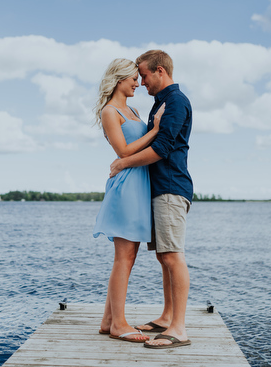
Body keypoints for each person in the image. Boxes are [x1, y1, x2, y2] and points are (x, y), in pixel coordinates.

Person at [109, 50, 193, 349]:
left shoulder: (175, 102)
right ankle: (167, 316)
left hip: (171, 188)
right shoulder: (160, 103)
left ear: (160, 71)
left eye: (143, 76)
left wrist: (123, 163)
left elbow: (163, 147)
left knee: (172, 255)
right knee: (163, 256)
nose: (141, 83)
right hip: (157, 189)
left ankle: (179, 329)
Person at [92, 58, 164, 343]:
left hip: (138, 185)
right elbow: (123, 151)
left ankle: (108, 320)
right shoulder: (110, 111)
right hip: (126, 186)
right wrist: (156, 131)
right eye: (134, 78)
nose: (138, 82)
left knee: (128, 256)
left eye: (138, 77)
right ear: (119, 79)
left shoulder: (132, 109)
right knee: (125, 256)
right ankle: (119, 325)